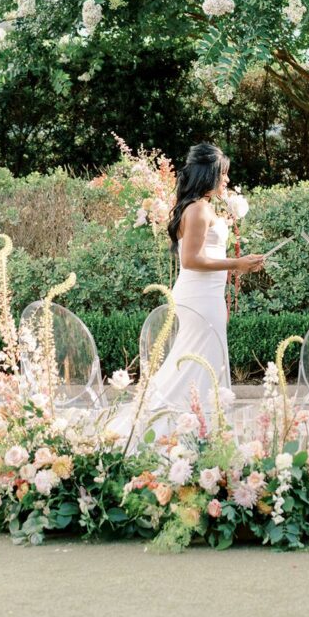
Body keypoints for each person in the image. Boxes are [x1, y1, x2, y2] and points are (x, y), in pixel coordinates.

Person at [117, 144, 263, 444]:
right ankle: (162, 429)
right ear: (209, 174)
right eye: (223, 175)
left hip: (205, 297)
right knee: (194, 366)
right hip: (199, 301)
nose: (226, 181)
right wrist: (238, 264)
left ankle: (198, 434)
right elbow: (191, 260)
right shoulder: (198, 209)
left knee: (199, 364)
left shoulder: (201, 206)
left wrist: (239, 263)